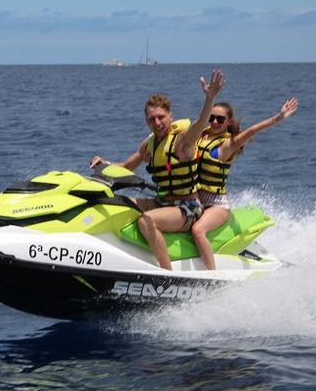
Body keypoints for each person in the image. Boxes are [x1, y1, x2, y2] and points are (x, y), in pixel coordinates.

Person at [90, 71, 226, 270]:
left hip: (188, 209)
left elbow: (200, 123)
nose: (158, 123)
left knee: (146, 221)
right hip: (162, 203)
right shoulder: (150, 143)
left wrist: (210, 98)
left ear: (170, 116)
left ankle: (167, 272)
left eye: (161, 117)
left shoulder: (182, 141)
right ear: (146, 121)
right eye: (152, 119)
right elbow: (127, 167)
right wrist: (105, 163)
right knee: (118, 204)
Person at [190, 98, 299, 269]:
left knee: (198, 231)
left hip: (216, 204)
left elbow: (252, 130)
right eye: (211, 118)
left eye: (220, 119)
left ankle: (212, 275)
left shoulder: (228, 145)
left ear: (229, 122)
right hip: (194, 199)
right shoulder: (200, 136)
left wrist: (279, 117)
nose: (215, 122)